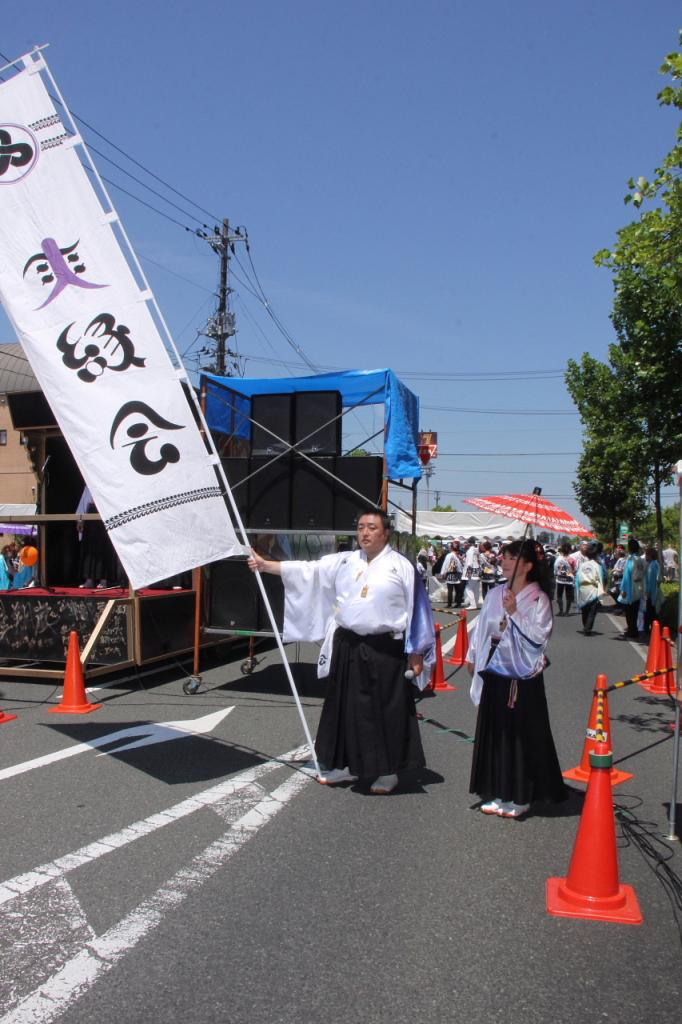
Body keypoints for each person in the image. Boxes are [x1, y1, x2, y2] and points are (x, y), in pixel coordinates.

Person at [247, 509, 434, 795]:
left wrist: (417, 651)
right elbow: (308, 571)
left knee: (385, 708)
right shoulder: (345, 560)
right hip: (348, 644)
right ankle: (343, 764)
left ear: (386, 533)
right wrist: (265, 565)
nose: (365, 533)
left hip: (385, 646)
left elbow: (419, 609)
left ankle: (387, 770)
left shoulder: (401, 566)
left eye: (372, 527)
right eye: (361, 527)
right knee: (343, 706)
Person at [466, 538, 567, 818]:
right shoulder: (496, 592)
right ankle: (499, 789)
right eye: (504, 556)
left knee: (520, 735)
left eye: (511, 557)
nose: (504, 561)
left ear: (528, 565)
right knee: (496, 732)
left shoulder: (538, 599)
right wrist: (472, 655)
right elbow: (482, 629)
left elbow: (539, 638)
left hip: (521, 675)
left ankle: (521, 794)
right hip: (494, 669)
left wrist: (514, 613)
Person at [575, 541, 604, 636]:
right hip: (592, 588)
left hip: (583, 588)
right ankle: (587, 628)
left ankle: (585, 626)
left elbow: (577, 578)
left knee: (585, 609)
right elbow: (601, 578)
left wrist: (577, 589)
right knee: (592, 610)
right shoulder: (597, 565)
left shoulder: (583, 565)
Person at [618, 538, 645, 639]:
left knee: (629, 613)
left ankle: (631, 631)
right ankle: (634, 631)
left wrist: (623, 589)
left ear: (629, 548)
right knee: (635, 611)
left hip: (630, 588)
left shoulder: (630, 560)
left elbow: (626, 576)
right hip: (639, 588)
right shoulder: (640, 560)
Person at [643, 547, 663, 634]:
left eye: (646, 554)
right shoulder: (654, 564)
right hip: (653, 593)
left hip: (652, 593)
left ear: (650, 555)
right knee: (652, 613)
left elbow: (651, 581)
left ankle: (650, 630)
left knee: (651, 613)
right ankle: (652, 630)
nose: (645, 557)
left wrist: (648, 592)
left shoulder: (653, 565)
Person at [553, 542, 575, 616]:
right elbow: (575, 568)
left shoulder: (558, 558)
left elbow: (555, 568)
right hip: (569, 579)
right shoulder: (572, 559)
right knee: (568, 596)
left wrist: (557, 573)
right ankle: (567, 612)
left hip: (560, 579)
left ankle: (561, 610)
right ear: (570, 550)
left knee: (559, 595)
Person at [441, 542, 463, 608]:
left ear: (451, 548)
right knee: (458, 590)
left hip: (450, 574)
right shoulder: (458, 556)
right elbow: (460, 566)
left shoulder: (449, 555)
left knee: (450, 590)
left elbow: (446, 564)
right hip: (457, 574)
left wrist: (443, 572)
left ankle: (449, 604)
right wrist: (460, 573)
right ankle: (458, 603)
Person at [462, 536, 482, 608]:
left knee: (468, 587)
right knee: (476, 587)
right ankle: (475, 603)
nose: (466, 544)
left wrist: (468, 573)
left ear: (469, 543)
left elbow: (469, 563)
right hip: (477, 570)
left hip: (472, 570)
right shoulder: (476, 550)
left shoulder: (470, 551)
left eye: (467, 543)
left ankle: (473, 604)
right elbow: (480, 560)